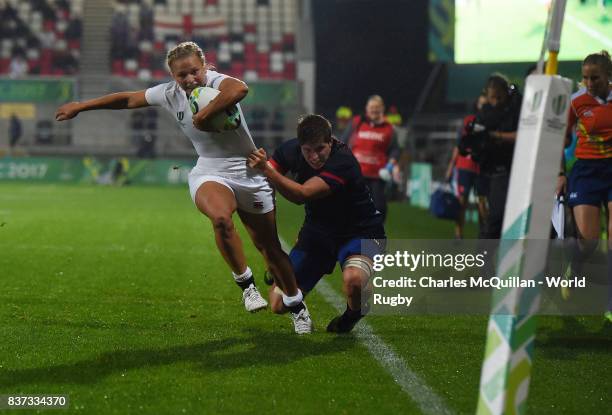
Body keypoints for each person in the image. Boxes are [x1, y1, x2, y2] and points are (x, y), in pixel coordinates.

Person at [55, 41, 312, 334]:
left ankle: (297, 305)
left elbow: (239, 89)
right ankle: (247, 285)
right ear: (172, 76)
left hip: (249, 171)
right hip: (210, 170)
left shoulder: (217, 82)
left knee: (270, 250)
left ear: (205, 67)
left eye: (194, 72)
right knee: (220, 219)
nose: (189, 79)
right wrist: (81, 106)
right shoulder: (168, 94)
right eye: (181, 75)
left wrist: (203, 115)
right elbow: (127, 99)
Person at [248, 114, 386, 333]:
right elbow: (264, 184)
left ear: (330, 141)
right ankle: (298, 305)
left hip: (362, 232)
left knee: (354, 281)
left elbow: (301, 194)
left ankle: (351, 316)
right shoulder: (290, 150)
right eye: (307, 150)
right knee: (278, 304)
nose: (314, 156)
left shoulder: (343, 161)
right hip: (318, 233)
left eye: (320, 148)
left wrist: (266, 169)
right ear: (300, 145)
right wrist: (270, 242)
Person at [557, 50, 612, 321]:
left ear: (608, 77)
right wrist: (559, 173)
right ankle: (574, 267)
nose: (589, 83)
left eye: (595, 78)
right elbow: (560, 138)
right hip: (587, 171)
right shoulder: (576, 100)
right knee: (588, 241)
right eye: (585, 77)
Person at [465, 75, 521, 239]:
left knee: (495, 220)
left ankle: (485, 260)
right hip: (485, 172)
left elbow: (522, 135)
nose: (495, 101)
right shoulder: (485, 112)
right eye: (492, 98)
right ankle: (484, 261)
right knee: (488, 222)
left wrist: (495, 135)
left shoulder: (515, 110)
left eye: (499, 97)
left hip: (505, 171)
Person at [341, 95, 400, 221]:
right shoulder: (357, 122)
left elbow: (395, 150)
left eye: (377, 107)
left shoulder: (389, 128)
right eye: (372, 107)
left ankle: (374, 238)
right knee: (353, 208)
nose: (374, 110)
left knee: (379, 208)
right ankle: (353, 238)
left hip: (377, 177)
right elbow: (343, 143)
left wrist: (391, 165)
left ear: (382, 109)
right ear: (367, 108)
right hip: (356, 174)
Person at [445, 106, 489, 239]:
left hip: (481, 169)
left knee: (481, 202)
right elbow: (459, 145)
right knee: (462, 202)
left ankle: (484, 233)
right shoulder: (468, 121)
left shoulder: (490, 123)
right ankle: (458, 234)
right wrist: (451, 167)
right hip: (464, 167)